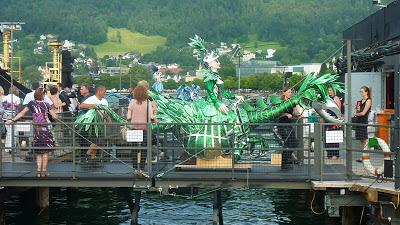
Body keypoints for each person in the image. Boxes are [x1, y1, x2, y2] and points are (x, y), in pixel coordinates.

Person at [6, 88, 58, 177]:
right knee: (45, 152)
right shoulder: (46, 104)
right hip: (46, 129)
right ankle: (44, 170)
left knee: (38, 152)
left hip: (36, 130)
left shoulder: (31, 104)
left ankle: (38, 171)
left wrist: (12, 120)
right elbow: (54, 116)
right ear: (43, 95)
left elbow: (22, 113)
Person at [127, 84, 154, 172]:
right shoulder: (148, 102)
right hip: (145, 128)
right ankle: (141, 168)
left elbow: (128, 117)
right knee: (144, 149)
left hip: (134, 128)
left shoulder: (132, 102)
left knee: (134, 149)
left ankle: (135, 168)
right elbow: (151, 116)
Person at [78, 85, 109, 159]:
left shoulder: (105, 101)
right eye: (104, 92)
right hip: (92, 123)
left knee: (98, 141)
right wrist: (92, 105)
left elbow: (106, 111)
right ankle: (88, 154)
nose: (105, 93)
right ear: (99, 91)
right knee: (97, 140)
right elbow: (81, 106)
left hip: (100, 123)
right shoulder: (91, 99)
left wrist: (107, 117)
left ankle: (93, 157)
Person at [277, 87, 301, 169]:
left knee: (294, 143)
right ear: (284, 93)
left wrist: (297, 105)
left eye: (291, 92)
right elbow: (277, 113)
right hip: (282, 125)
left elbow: (297, 113)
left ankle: (287, 159)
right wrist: (286, 115)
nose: (290, 93)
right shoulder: (281, 102)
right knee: (288, 143)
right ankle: (284, 162)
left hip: (288, 125)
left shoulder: (291, 102)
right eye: (289, 92)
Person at [2, 86, 21, 152]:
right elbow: (17, 109)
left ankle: (7, 148)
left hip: (5, 116)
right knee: (12, 132)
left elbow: (2, 108)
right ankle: (10, 149)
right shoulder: (17, 98)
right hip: (12, 117)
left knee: (9, 132)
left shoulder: (5, 97)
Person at [325, 86, 342, 159]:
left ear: (333, 91)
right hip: (327, 119)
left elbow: (339, 110)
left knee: (334, 137)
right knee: (327, 137)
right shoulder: (326, 99)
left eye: (330, 90)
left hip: (334, 119)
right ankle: (329, 153)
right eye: (328, 90)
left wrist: (338, 121)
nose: (329, 92)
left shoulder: (336, 98)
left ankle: (335, 154)